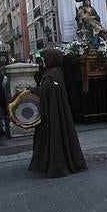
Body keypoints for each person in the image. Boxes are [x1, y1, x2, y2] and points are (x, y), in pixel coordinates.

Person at [28, 49, 87, 177]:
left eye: (46, 58)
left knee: (55, 135)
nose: (44, 61)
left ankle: (57, 163)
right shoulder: (55, 72)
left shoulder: (52, 73)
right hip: (54, 109)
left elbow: (45, 91)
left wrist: (31, 90)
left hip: (53, 111)